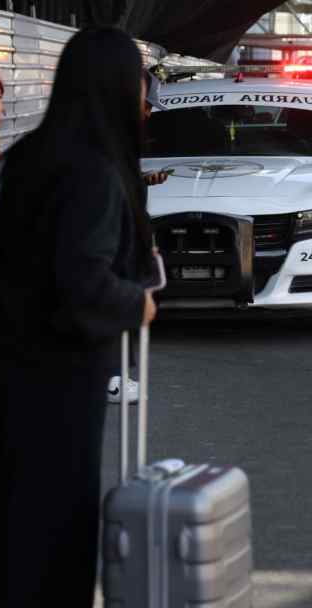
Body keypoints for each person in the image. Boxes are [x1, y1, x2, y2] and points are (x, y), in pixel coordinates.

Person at [0, 26, 158, 608]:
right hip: (55, 386)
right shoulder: (93, 170)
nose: (144, 100)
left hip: (15, 373)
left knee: (19, 548)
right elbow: (81, 284)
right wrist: (137, 302)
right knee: (54, 552)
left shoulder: (33, 155)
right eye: (139, 84)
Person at [109, 68, 168, 406]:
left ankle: (115, 375)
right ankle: (113, 378)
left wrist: (143, 180)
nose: (147, 113)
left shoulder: (119, 143)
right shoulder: (109, 142)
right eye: (145, 105)